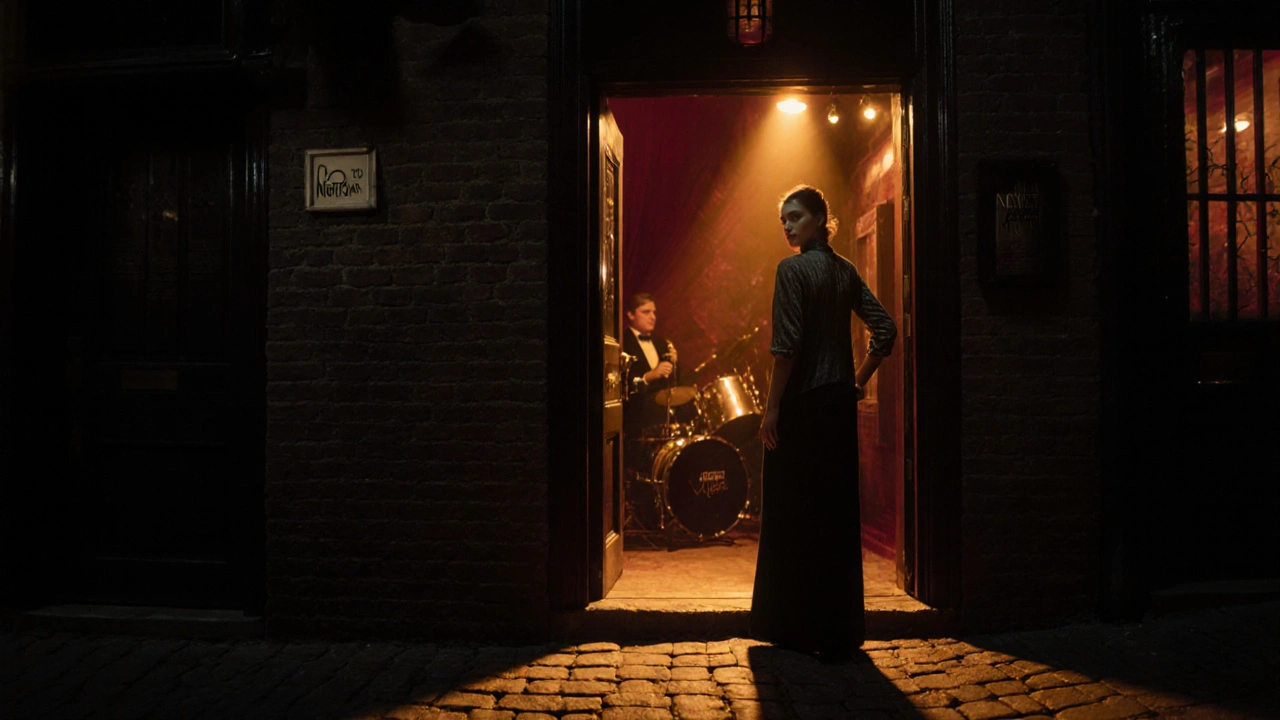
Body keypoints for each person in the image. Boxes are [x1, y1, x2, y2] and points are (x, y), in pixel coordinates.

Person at [750, 185, 898, 663]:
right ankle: (837, 631)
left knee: (793, 515)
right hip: (837, 406)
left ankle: (792, 629)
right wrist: (855, 383)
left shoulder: (791, 270)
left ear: (819, 217)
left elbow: (787, 347)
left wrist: (772, 409)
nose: (789, 227)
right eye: (783, 221)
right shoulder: (847, 271)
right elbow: (886, 329)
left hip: (801, 407)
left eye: (795, 217)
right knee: (835, 516)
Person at [622, 292, 680, 443]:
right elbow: (621, 385)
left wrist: (675, 363)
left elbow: (674, 384)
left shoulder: (661, 343)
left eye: (654, 312)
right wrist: (649, 376)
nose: (653, 317)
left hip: (661, 420)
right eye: (646, 312)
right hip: (636, 424)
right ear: (631, 314)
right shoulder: (622, 343)